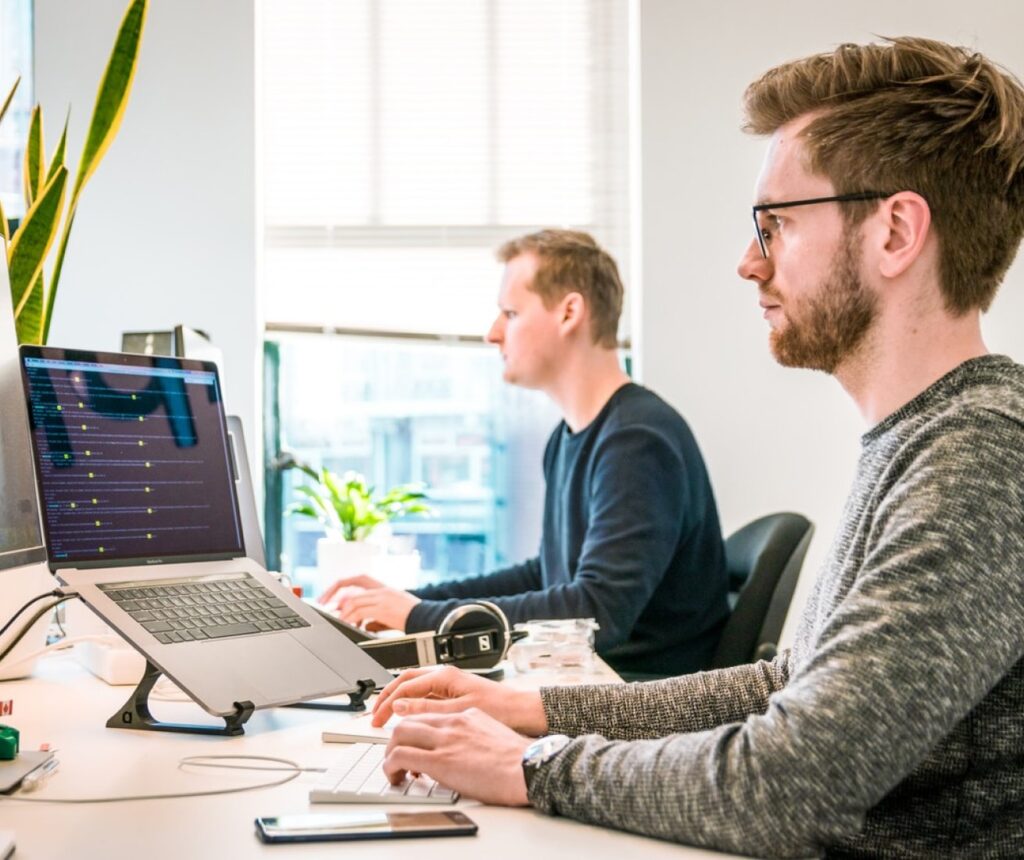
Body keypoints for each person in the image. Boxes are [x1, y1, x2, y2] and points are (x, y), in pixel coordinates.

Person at [364, 37, 1024, 858]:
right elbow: (783, 686)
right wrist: (534, 711)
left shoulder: (980, 460)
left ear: (894, 232)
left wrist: (536, 766)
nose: (749, 261)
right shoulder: (918, 439)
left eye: (776, 224)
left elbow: (792, 782)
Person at [321, 229, 730, 677]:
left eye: (511, 313)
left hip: (636, 697)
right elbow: (547, 575)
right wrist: (415, 601)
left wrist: (419, 618)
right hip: (591, 681)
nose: (492, 334)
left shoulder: (637, 441)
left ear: (569, 312)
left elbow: (596, 614)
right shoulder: (571, 437)